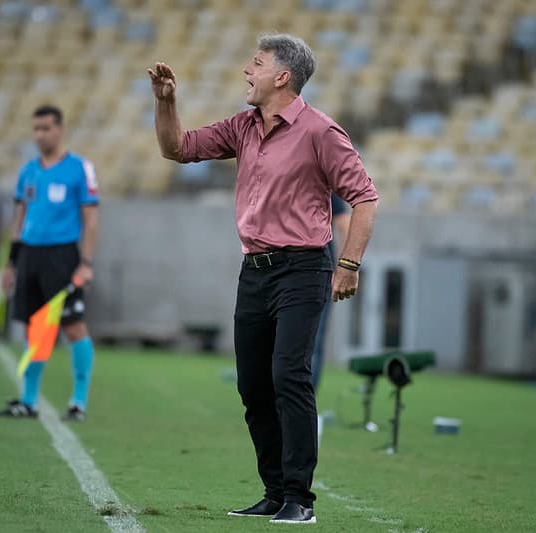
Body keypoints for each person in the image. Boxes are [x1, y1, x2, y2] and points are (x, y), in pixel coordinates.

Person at [149, 33, 378, 524]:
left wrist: (349, 264)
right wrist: (166, 103)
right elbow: (176, 148)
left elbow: (365, 198)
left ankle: (300, 498)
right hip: (254, 271)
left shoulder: (321, 132)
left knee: (288, 376)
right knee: (253, 385)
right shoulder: (242, 127)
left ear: (282, 76)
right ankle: (274, 493)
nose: (245, 72)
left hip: (304, 267)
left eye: (255, 63)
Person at [0, 105, 100, 421]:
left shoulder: (79, 168)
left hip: (62, 256)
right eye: (36, 128)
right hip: (30, 255)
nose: (40, 134)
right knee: (34, 329)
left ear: (60, 129)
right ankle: (29, 400)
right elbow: (19, 220)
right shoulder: (28, 171)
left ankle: (78, 401)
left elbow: (91, 219)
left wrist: (85, 262)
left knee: (72, 326)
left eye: (46, 128)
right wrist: (11, 264)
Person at [311, 194, 351, 393]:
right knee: (313, 342)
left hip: (316, 273)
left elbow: (344, 223)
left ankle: (296, 407)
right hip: (319, 272)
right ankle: (303, 406)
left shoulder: (322, 181)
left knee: (309, 342)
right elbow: (343, 223)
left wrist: (343, 269)